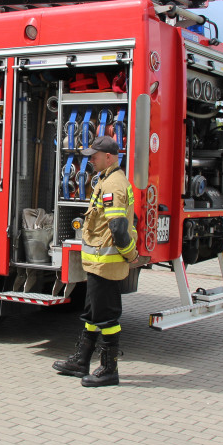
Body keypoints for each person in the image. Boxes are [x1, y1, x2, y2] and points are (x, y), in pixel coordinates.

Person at [52, 135, 138, 387]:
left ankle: (109, 370)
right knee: (92, 313)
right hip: (98, 263)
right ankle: (81, 361)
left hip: (106, 264)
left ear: (109, 157)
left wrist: (131, 255)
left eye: (95, 156)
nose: (91, 160)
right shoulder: (107, 180)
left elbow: (119, 229)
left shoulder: (113, 185)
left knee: (107, 318)